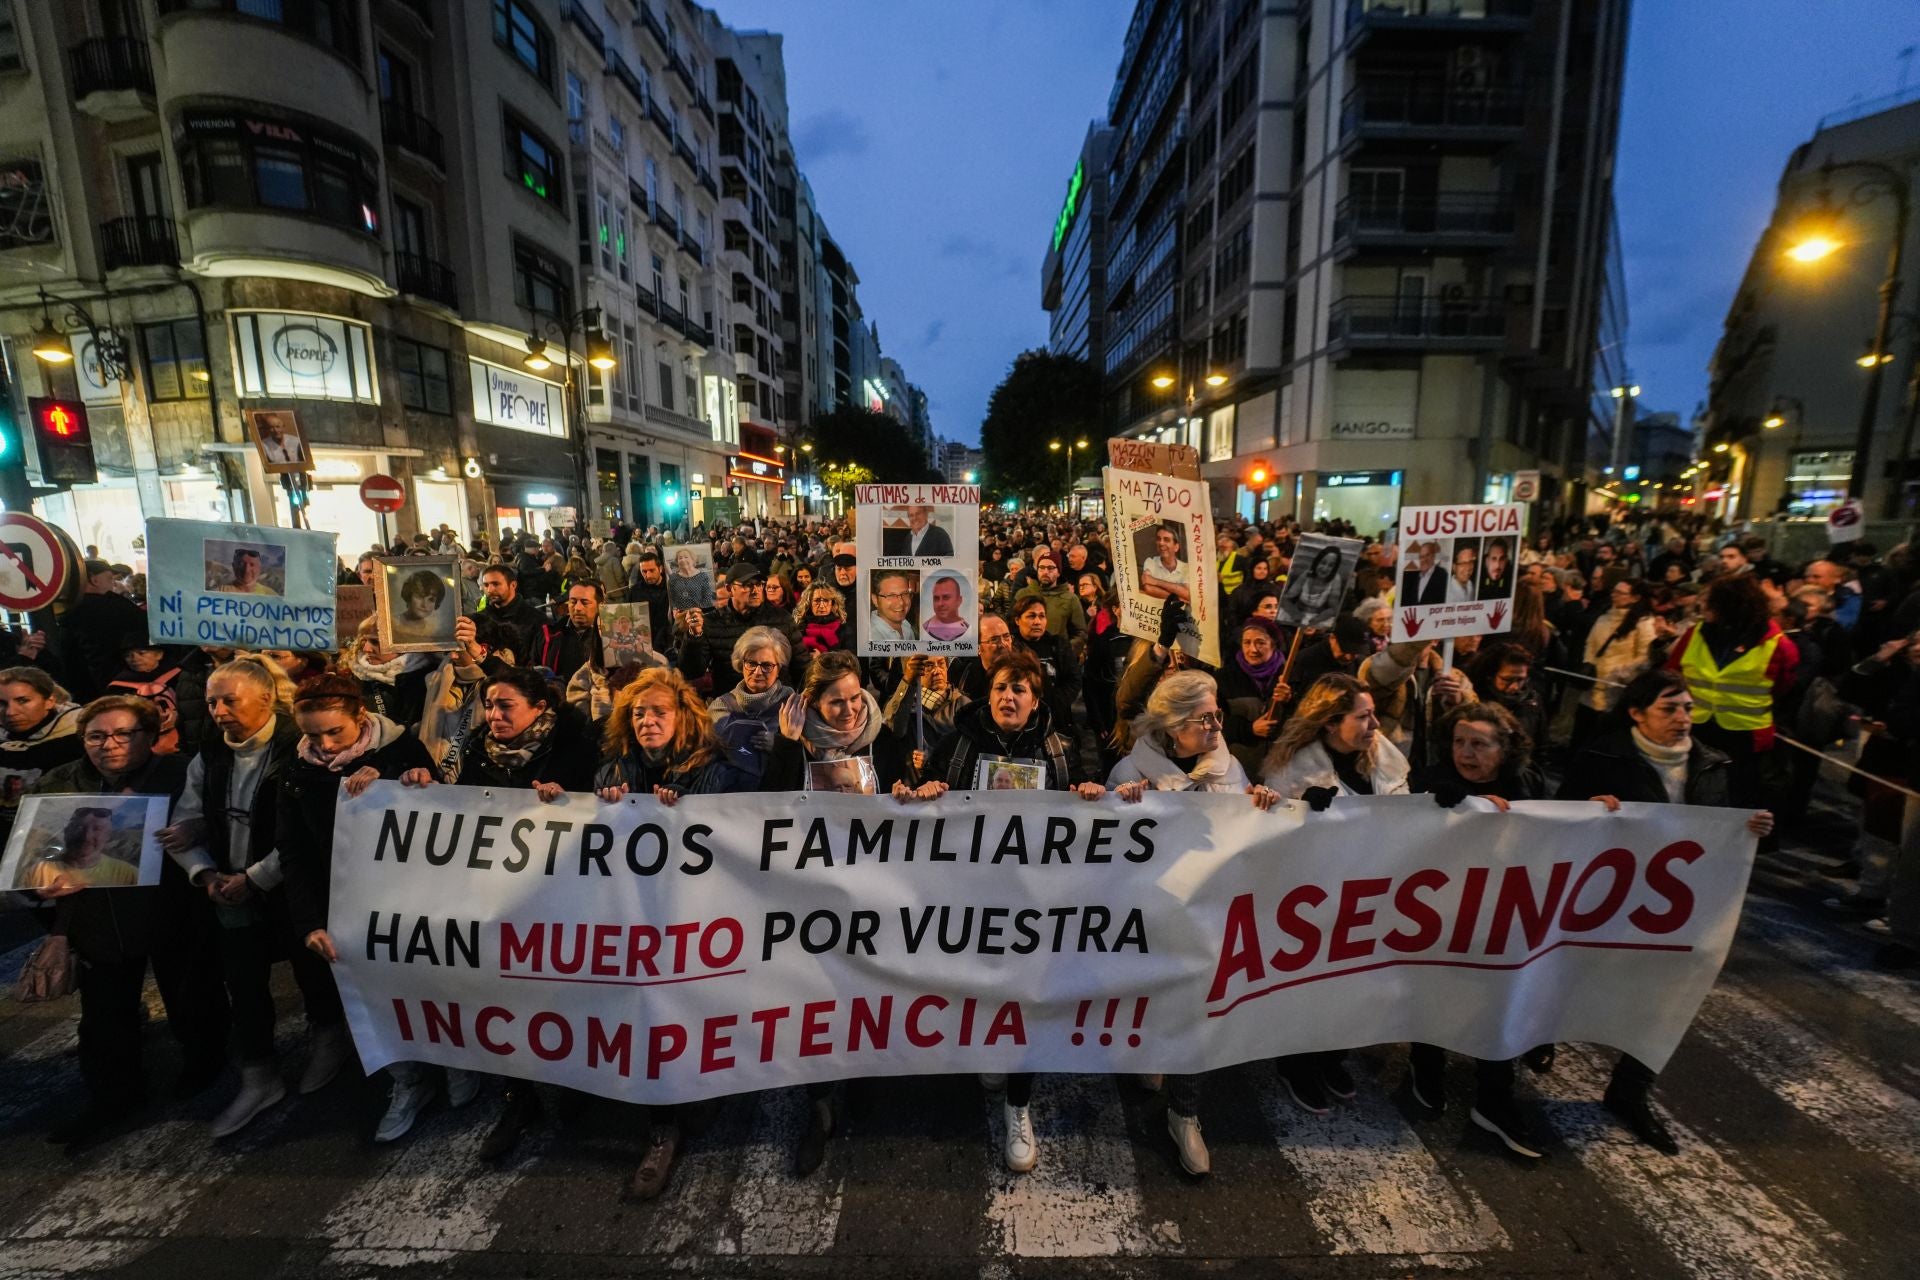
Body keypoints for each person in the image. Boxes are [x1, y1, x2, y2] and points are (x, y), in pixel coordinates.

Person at [1555, 669, 1774, 1153]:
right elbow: (1555, 820)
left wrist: (1752, 826)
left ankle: (1630, 1092)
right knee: (1572, 981)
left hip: (1676, 911)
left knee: (1669, 997)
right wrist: (1586, 809)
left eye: (1688, 708)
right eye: (1669, 709)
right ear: (1636, 713)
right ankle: (1539, 1037)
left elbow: (1720, 827)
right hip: (1601, 904)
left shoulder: (1714, 763)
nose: (1683, 719)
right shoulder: (1601, 756)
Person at [914, 650, 1106, 1172]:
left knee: (1028, 996)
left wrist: (1091, 795)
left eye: (1020, 689)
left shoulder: (1061, 748)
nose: (1009, 697)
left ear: (1035, 699)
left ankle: (1018, 1105)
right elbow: (919, 803)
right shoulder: (957, 745)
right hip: (971, 897)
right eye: (1001, 687)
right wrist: (927, 789)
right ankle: (991, 1055)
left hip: (1035, 903)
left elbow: (1091, 807)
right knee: (983, 988)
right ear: (987, 694)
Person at [397, 667, 598, 1164]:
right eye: (490, 704)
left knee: (565, 994)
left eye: (506, 704)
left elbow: (607, 808)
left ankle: (576, 1084)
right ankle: (519, 1097)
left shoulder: (576, 745)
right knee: (510, 996)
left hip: (564, 897)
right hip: (502, 902)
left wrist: (572, 799)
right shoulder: (477, 752)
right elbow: (455, 808)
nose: (494, 714)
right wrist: (424, 786)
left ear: (538, 707)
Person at [158, 656, 347, 1139]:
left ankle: (330, 1038)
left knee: (312, 971)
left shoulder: (300, 747)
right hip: (229, 888)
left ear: (266, 699)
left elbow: (310, 833)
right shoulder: (211, 753)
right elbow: (188, 814)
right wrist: (204, 873)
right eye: (212, 701)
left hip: (288, 888)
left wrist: (256, 877)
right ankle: (259, 1075)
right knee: (242, 982)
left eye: (229, 700)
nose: (218, 710)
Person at [27, 696, 230, 1146]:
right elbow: (35, 848)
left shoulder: (181, 775)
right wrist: (39, 879)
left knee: (191, 997)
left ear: (150, 736)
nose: (109, 745)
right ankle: (114, 1098)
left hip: (173, 910)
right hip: (99, 919)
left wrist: (198, 831)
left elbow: (222, 823)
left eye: (123, 734)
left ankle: (205, 1066)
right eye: (96, 736)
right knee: (104, 1018)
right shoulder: (61, 783)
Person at [1109, 671, 1280, 1176]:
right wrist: (1122, 806)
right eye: (1205, 718)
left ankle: (1185, 1114)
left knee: (1198, 1008)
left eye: (1217, 716)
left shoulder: (1231, 771)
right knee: (1148, 993)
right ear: (1174, 723)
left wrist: (1263, 807)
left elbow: (1248, 837)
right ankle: (1144, 1053)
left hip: (1209, 911)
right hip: (1150, 912)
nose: (1215, 726)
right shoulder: (1129, 770)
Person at [277, 674, 461, 1144]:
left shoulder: (401, 750)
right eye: (311, 734)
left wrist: (407, 784)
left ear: (361, 718)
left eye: (333, 733)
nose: (321, 744)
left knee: (434, 987)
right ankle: (408, 1081)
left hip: (415, 902)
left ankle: (459, 1062)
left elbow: (447, 819)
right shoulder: (296, 770)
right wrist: (310, 922)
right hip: (347, 908)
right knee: (378, 1000)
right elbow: (294, 851)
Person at [1261, 673, 1411, 1113]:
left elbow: (1406, 814)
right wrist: (1304, 814)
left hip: (1374, 894)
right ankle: (1297, 1064)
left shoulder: (1383, 757)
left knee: (1355, 986)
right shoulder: (1290, 770)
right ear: (1330, 723)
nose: (1374, 725)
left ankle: (1333, 1057)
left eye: (1373, 715)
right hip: (1316, 903)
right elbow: (1270, 842)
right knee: (1312, 985)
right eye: (1362, 717)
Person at [1664, 574, 1798, 809]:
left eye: (1711, 602)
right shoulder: (1696, 633)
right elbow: (1673, 672)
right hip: (1695, 726)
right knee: (1690, 788)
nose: (1703, 606)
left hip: (1745, 735)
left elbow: (1783, 687)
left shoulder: (1778, 644)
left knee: (1738, 796)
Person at [1575, 579, 1658, 744]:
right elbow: (1591, 644)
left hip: (1617, 691)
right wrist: (1588, 665)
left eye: (1620, 593)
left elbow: (1644, 657)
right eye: (1614, 591)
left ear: (1635, 597)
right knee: (1583, 735)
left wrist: (1620, 674)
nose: (1614, 595)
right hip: (1592, 687)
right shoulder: (1604, 617)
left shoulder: (1644, 623)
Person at [59, 559, 150, 701]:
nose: (112, 584)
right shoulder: (115, 607)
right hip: (121, 683)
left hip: (85, 690)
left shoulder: (68, 613)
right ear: (94, 579)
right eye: (109, 579)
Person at [1218, 616, 1294, 776]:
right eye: (1247, 642)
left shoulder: (1290, 676)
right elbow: (1215, 722)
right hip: (1240, 767)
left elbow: (1304, 722)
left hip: (1283, 766)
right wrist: (1249, 729)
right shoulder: (1225, 678)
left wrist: (1289, 701)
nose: (1253, 649)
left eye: (1260, 642)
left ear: (1273, 644)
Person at [708, 626, 792, 761]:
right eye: (751, 663)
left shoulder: (792, 706)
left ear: (779, 669)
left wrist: (780, 745)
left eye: (767, 665)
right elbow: (707, 754)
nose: (758, 672)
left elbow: (806, 756)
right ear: (741, 665)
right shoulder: (720, 707)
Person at [1010, 594, 1081, 735]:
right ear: (1018, 620)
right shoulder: (1010, 648)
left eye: (1042, 616)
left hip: (1056, 721)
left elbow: (1074, 679)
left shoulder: (1058, 645)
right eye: (1031, 616)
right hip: (1021, 721)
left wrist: (1054, 704)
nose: (1037, 621)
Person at [533, 582, 605, 685]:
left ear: (600, 605)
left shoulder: (613, 636)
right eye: (573, 602)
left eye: (585, 602)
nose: (577, 608)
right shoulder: (548, 635)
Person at [475, 564, 546, 661]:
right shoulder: (480, 619)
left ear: (513, 585)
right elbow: (475, 656)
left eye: (496, 584)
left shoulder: (536, 619)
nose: (489, 590)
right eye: (486, 585)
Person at [1281, 544, 1345, 624]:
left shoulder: (1335, 579)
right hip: (1297, 614)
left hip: (1318, 618)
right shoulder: (1307, 574)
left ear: (1334, 569)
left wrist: (1316, 620)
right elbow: (1285, 599)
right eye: (1323, 562)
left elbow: (1333, 609)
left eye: (1331, 565)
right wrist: (1295, 614)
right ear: (1317, 562)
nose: (1325, 568)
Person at [390, 567, 449, 644]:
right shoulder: (391, 624)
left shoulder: (435, 632)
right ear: (409, 595)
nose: (424, 604)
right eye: (420, 596)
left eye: (431, 599)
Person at [1138, 525, 1192, 606]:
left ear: (1176, 547)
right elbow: (1148, 589)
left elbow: (1188, 595)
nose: (1161, 543)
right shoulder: (1150, 562)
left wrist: (1155, 581)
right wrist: (1178, 599)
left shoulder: (1186, 568)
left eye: (1166, 540)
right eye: (1158, 539)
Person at [881, 505, 954, 557]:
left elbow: (949, 557)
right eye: (911, 515)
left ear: (926, 514)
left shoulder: (940, 534)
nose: (914, 518)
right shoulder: (908, 538)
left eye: (918, 513)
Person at [868, 570, 919, 643]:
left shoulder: (906, 626)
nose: (901, 602)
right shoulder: (872, 637)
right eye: (891, 595)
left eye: (905, 594)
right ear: (875, 600)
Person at [923, 573, 971, 642]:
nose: (940, 603)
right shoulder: (924, 630)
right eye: (936, 598)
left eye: (946, 597)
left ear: (959, 600)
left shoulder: (970, 632)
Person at [668, 547, 714, 612]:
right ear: (677, 562)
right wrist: (674, 610)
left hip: (699, 613)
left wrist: (698, 611)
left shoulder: (702, 576)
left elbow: (707, 598)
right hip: (680, 615)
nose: (683, 560)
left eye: (686, 557)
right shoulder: (673, 578)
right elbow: (671, 599)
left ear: (693, 560)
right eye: (680, 558)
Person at [1401, 541, 1447, 606]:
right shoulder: (1412, 577)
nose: (1423, 560)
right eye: (1421, 557)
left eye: (1427, 555)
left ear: (1433, 556)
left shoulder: (1442, 575)